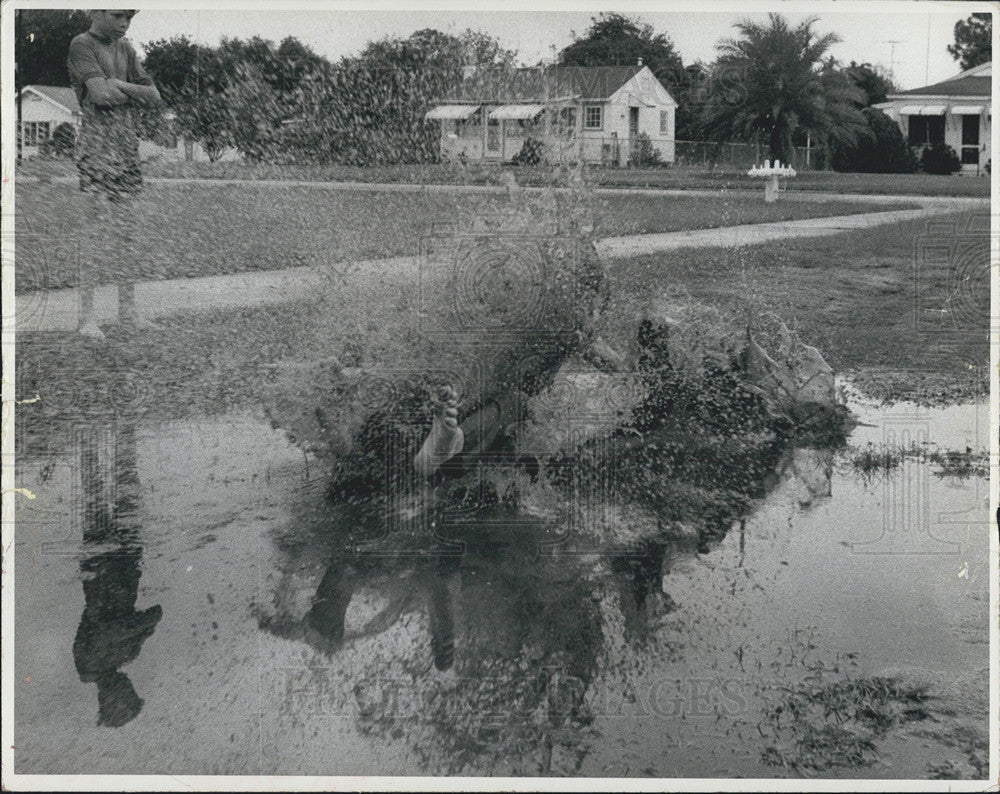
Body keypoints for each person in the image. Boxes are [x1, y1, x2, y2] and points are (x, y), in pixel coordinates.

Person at [67, 9, 161, 338]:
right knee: (93, 236)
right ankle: (86, 319)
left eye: (130, 18)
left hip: (126, 150)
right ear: (97, 12)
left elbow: (154, 96)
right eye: (118, 15)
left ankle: (127, 314)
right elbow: (99, 95)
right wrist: (125, 93)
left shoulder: (127, 50)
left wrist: (119, 83)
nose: (124, 24)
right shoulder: (82, 44)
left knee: (127, 236)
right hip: (95, 150)